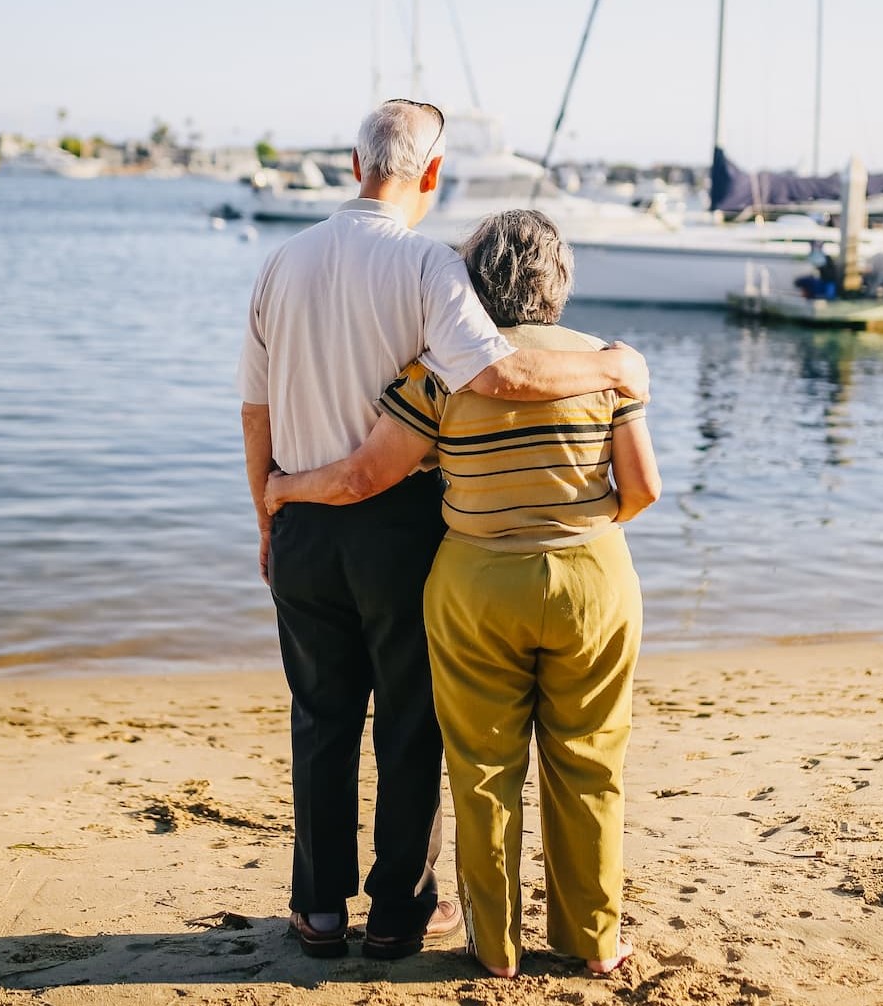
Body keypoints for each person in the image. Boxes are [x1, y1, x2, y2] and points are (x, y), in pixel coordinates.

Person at [238, 100, 651, 961]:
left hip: (303, 515)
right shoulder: (430, 265)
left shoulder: (280, 262)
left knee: (318, 717)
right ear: (427, 174)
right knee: (408, 722)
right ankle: (397, 913)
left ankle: (317, 913)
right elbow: (499, 370)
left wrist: (268, 511)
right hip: (399, 527)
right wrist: (613, 368)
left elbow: (256, 411)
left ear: (355, 165)